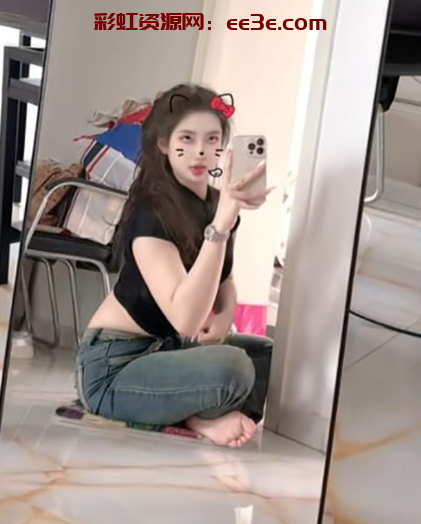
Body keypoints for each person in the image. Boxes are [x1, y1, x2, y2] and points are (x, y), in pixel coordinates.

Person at [76, 83, 274, 448]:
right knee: (233, 369)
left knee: (265, 354)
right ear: (164, 144)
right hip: (114, 367)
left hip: (170, 350)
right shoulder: (150, 212)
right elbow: (185, 319)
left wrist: (223, 319)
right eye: (187, 138)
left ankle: (198, 414)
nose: (200, 151)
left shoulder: (216, 202)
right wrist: (221, 225)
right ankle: (197, 419)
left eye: (212, 139)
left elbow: (224, 280)